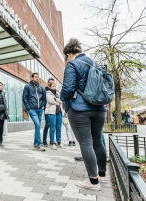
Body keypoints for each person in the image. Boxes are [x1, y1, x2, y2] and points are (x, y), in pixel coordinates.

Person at [61, 39, 106, 191]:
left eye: (66, 57)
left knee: (86, 143)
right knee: (97, 142)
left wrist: (62, 99)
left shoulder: (73, 64)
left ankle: (93, 183)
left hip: (80, 109)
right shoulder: (94, 64)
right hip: (99, 109)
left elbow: (68, 88)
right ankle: (101, 174)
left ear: (68, 54)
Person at [22, 73, 46, 151]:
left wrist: (42, 105)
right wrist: (29, 108)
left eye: (38, 77)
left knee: (37, 126)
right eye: (35, 77)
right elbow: (24, 98)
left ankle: (35, 143)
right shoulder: (27, 87)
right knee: (38, 124)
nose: (37, 78)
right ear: (32, 78)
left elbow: (44, 98)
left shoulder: (41, 88)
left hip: (40, 110)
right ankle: (39, 143)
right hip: (32, 110)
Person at [45, 82, 66, 150]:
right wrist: (58, 101)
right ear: (50, 86)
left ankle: (59, 142)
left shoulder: (58, 93)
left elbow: (61, 100)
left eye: (55, 86)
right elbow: (50, 100)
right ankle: (52, 143)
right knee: (52, 128)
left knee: (59, 128)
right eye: (53, 86)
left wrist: (56, 100)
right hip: (52, 112)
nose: (54, 87)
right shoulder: (48, 93)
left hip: (59, 112)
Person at [43, 78, 55, 146]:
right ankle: (44, 140)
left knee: (52, 126)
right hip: (47, 110)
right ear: (48, 83)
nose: (51, 84)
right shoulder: (45, 90)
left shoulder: (55, 91)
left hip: (53, 110)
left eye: (52, 83)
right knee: (47, 124)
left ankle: (52, 140)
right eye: (50, 82)